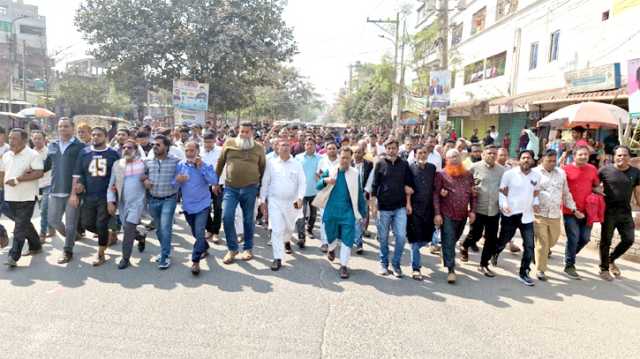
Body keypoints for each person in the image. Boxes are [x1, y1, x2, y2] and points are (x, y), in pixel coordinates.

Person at [216, 121, 266, 265]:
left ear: (252, 133)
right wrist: (214, 181)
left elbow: (262, 168)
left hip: (250, 188)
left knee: (248, 219)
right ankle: (232, 249)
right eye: (241, 132)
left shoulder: (258, 148)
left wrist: (260, 188)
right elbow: (220, 162)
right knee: (227, 216)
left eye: (247, 132)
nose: (243, 134)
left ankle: (248, 248)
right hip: (231, 188)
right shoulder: (229, 143)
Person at [70, 127, 120, 266]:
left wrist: (114, 199)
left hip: (106, 195)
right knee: (86, 223)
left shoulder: (113, 154)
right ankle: (109, 234)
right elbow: (78, 173)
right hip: (88, 195)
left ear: (105, 137)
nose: (95, 137)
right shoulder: (84, 152)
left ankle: (101, 254)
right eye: (93, 135)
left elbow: (119, 176)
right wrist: (78, 186)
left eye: (99, 135)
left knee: (101, 223)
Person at [314, 147, 367, 279]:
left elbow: (359, 194)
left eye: (348, 158)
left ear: (351, 159)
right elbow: (318, 186)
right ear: (339, 157)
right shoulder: (331, 171)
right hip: (331, 211)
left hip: (347, 213)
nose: (345, 160)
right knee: (331, 236)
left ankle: (344, 266)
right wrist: (325, 180)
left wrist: (363, 213)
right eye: (343, 157)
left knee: (347, 240)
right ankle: (331, 248)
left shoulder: (355, 174)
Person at [45, 118, 88, 264]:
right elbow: (46, 165)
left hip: (72, 192)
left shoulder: (80, 146)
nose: (63, 129)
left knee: (70, 223)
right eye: (60, 126)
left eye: (66, 126)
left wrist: (80, 186)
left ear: (72, 128)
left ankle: (68, 250)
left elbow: (84, 169)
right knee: (53, 220)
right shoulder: (52, 145)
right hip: (55, 189)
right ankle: (73, 235)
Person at [495, 150, 540, 286]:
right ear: (519, 159)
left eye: (529, 158)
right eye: (523, 157)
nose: (526, 160)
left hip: (527, 215)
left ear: (532, 160)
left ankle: (524, 272)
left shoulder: (536, 176)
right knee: (504, 240)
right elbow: (502, 192)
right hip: (510, 214)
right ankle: (496, 252)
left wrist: (536, 203)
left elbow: (536, 193)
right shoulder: (509, 174)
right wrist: (504, 205)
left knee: (529, 245)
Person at [260, 138, 306, 271]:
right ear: (277, 148)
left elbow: (302, 182)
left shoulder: (297, 164)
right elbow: (265, 182)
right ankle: (277, 258)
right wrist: (262, 200)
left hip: (292, 203)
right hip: (275, 201)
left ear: (290, 148)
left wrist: (300, 197)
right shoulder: (271, 163)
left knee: (289, 228)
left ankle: (287, 240)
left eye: (287, 145)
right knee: (276, 229)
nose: (285, 147)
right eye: (282, 145)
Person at [532, 149, 578, 281]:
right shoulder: (534, 173)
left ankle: (538, 253)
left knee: (553, 240)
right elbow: (528, 191)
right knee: (543, 242)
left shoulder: (561, 173)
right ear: (542, 160)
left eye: (554, 161)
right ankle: (541, 270)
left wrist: (574, 209)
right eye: (549, 161)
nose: (552, 163)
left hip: (554, 214)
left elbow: (566, 193)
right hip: (538, 213)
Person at [371, 139, 414, 278]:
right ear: (386, 149)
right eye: (389, 148)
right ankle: (383, 263)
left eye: (394, 148)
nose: (391, 150)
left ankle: (396, 264)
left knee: (401, 237)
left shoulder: (404, 164)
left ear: (398, 149)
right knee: (383, 237)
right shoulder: (380, 164)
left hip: (400, 207)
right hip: (383, 208)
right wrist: (373, 205)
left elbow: (409, 186)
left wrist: (408, 203)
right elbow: (374, 185)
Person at [1, 129, 44, 268]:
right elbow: (2, 174)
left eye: (14, 138)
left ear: (24, 140)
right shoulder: (6, 155)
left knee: (19, 227)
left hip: (27, 197)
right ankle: (36, 245)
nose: (11, 141)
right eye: (10, 138)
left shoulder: (33, 155)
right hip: (8, 196)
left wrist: (18, 179)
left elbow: (39, 173)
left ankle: (13, 256)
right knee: (23, 223)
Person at [460, 145, 504, 278]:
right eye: (489, 153)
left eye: (494, 154)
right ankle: (465, 245)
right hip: (478, 208)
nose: (492, 155)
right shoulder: (474, 167)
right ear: (483, 154)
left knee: (491, 238)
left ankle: (484, 264)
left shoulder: (502, 170)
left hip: (494, 210)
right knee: (476, 235)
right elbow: (464, 184)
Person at [433, 149, 476, 284]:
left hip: (462, 214)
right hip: (447, 214)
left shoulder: (468, 175)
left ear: (461, 157)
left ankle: (445, 252)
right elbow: (435, 195)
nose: (454, 159)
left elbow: (473, 194)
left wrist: (473, 211)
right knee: (449, 239)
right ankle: (451, 269)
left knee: (454, 238)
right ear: (447, 159)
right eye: (451, 157)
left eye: (456, 156)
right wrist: (437, 214)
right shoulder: (441, 174)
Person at [598, 145, 640, 281]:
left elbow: (638, 192)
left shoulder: (636, 172)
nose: (622, 157)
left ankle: (611, 259)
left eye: (625, 155)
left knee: (629, 239)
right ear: (614, 157)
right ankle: (604, 269)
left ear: (630, 158)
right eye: (619, 155)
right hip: (608, 211)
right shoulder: (605, 170)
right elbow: (593, 185)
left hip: (625, 212)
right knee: (606, 240)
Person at [176, 141, 219, 275]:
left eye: (192, 151)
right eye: (187, 151)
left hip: (203, 205)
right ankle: (204, 247)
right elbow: (174, 182)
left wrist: (201, 168)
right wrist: (178, 180)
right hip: (188, 206)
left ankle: (195, 261)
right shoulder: (180, 165)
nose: (189, 153)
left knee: (200, 232)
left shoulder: (205, 165)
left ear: (197, 152)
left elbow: (214, 180)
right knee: (196, 233)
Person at [107, 139, 147, 270]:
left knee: (128, 230)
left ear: (135, 150)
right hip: (123, 204)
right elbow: (111, 185)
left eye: (130, 147)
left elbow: (150, 179)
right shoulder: (117, 164)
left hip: (137, 203)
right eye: (124, 147)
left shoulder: (143, 164)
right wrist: (110, 201)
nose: (126, 149)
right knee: (128, 228)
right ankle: (140, 236)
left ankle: (125, 258)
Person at [562, 146, 600, 279]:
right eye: (581, 154)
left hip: (587, 211)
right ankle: (569, 265)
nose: (584, 157)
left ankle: (569, 254)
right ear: (574, 155)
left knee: (585, 238)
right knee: (574, 237)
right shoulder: (565, 170)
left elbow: (595, 186)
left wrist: (599, 193)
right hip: (570, 210)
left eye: (586, 155)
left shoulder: (592, 169)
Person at [144, 134, 181, 270]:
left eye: (158, 145)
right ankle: (166, 249)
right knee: (159, 229)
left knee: (166, 228)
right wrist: (145, 180)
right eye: (153, 144)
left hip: (169, 199)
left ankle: (165, 256)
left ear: (166, 147)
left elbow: (185, 171)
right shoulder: (148, 161)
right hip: (153, 200)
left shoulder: (176, 161)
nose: (155, 147)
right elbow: (143, 175)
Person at [406, 146, 436, 281]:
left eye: (424, 153)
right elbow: (406, 188)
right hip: (414, 209)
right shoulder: (409, 168)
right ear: (415, 155)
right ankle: (415, 268)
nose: (422, 155)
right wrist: (408, 204)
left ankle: (416, 249)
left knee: (426, 238)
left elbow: (435, 187)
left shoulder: (432, 168)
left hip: (429, 209)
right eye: (419, 153)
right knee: (415, 240)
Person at [295, 137, 321, 247]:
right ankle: (301, 237)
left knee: (314, 214)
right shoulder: (298, 157)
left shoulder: (320, 158)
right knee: (300, 214)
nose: (309, 146)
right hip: (301, 192)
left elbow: (324, 173)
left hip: (315, 191)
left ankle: (309, 229)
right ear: (304, 146)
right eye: (307, 144)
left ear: (315, 146)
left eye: (311, 144)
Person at [317, 141, 339, 252]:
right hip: (325, 193)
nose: (331, 150)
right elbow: (318, 175)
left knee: (335, 218)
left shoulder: (341, 161)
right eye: (329, 148)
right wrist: (322, 184)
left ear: (337, 149)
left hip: (338, 194)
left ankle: (333, 241)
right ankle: (324, 242)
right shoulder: (322, 161)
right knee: (324, 218)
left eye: (333, 148)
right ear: (326, 150)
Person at [31, 130, 53, 242]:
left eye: (39, 138)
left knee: (44, 209)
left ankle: (42, 233)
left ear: (44, 139)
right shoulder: (30, 153)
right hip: (35, 185)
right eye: (35, 138)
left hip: (48, 184)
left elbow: (46, 168)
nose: (37, 140)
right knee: (42, 209)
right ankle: (51, 227)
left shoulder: (50, 152)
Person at [201, 132, 223, 243]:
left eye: (210, 142)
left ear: (214, 141)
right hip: (203, 185)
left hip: (218, 184)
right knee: (205, 208)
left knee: (218, 208)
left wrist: (216, 183)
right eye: (206, 142)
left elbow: (223, 168)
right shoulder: (199, 151)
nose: (207, 144)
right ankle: (209, 229)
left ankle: (216, 232)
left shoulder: (221, 151)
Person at [352, 141, 373, 254]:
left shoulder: (369, 164)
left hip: (363, 195)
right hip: (350, 195)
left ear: (363, 153)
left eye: (359, 152)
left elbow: (371, 179)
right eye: (355, 152)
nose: (357, 154)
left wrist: (366, 192)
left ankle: (359, 243)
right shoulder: (349, 163)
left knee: (360, 219)